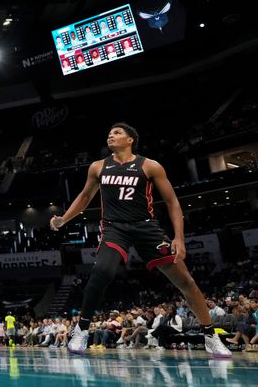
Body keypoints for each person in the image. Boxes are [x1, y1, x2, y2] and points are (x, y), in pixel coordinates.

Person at [51, 123, 231, 358]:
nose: (111, 135)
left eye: (117, 133)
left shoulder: (150, 166)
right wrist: (64, 219)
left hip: (146, 227)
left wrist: (179, 238)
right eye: (109, 133)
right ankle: (82, 329)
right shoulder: (98, 167)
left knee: (186, 282)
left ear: (130, 140)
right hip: (115, 228)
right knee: (102, 272)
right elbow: (85, 197)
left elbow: (172, 202)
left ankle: (210, 335)